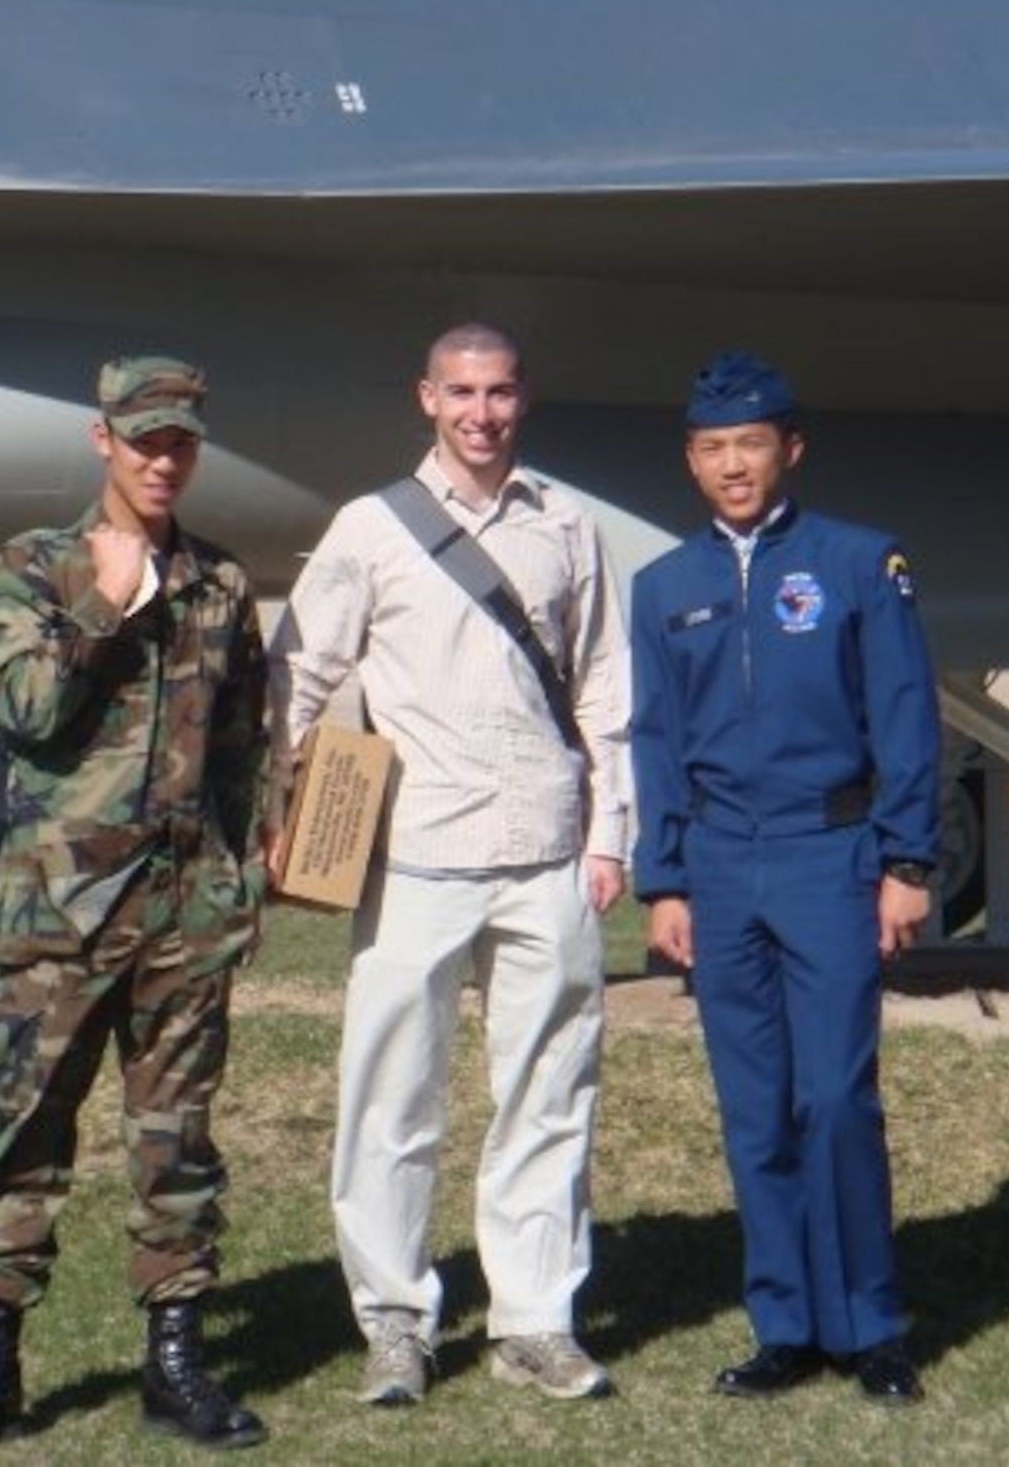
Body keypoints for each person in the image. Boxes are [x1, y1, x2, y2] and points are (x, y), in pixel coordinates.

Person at [0, 355, 271, 1456]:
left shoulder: (220, 583)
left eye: (181, 442)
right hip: (58, 919)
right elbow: (23, 709)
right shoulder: (35, 567)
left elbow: (244, 750)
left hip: (183, 915)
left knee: (177, 1147)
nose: (162, 459)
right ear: (101, 439)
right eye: (143, 438)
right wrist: (105, 603)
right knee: (23, 1141)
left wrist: (240, 881)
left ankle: (177, 1362)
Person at [268, 322, 631, 1406]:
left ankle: (533, 1321)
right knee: (389, 1100)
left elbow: (605, 690)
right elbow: (296, 672)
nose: (482, 413)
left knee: (548, 1093)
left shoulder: (566, 525)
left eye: (501, 393)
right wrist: (271, 812)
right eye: (462, 392)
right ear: (426, 398)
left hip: (545, 852)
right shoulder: (370, 529)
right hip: (416, 853)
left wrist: (610, 834)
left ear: (523, 400)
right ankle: (393, 1322)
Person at [628, 350, 940, 1408]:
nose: (732, 465)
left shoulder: (860, 564)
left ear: (787, 449)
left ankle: (869, 1324)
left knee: (835, 1098)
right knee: (753, 1110)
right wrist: (664, 880)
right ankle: (784, 1325)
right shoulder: (662, 587)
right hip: (717, 866)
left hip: (826, 855)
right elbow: (655, 741)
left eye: (750, 444)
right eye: (712, 448)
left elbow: (904, 715)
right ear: (689, 460)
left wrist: (904, 860)